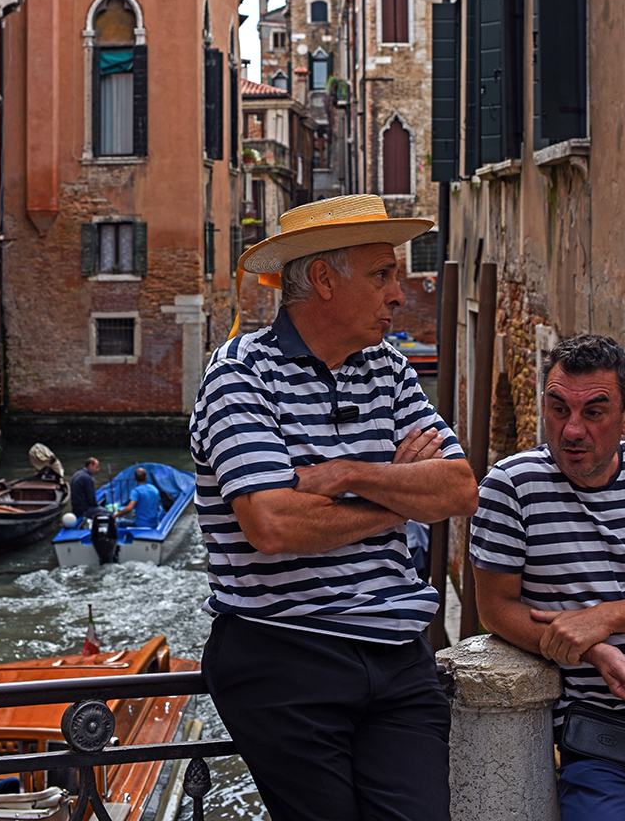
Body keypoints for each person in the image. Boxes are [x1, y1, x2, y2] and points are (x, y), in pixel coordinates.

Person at [190, 193, 478, 821]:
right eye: (382, 274)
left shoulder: (389, 370)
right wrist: (397, 497)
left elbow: (458, 489)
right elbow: (273, 524)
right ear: (323, 278)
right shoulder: (239, 375)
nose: (398, 294)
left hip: (398, 653)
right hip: (283, 653)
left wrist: (348, 474)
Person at [469, 334, 625, 821]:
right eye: (559, 409)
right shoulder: (510, 487)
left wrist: (604, 618)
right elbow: (495, 608)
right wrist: (590, 650)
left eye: (594, 412)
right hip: (597, 736)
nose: (572, 430)